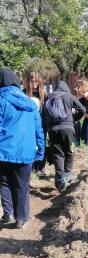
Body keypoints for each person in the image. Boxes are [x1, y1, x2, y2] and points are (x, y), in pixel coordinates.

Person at [0, 68, 45, 228]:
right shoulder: (31, 103)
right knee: (22, 186)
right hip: (26, 152)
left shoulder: (1, 100)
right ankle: (21, 218)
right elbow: (39, 130)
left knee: (4, 184)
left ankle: (8, 214)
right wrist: (40, 152)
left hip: (3, 152)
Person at [43, 80, 86, 192]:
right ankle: (66, 176)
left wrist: (48, 128)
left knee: (58, 154)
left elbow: (44, 114)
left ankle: (60, 178)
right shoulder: (69, 96)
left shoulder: (48, 97)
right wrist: (73, 120)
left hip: (53, 130)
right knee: (69, 151)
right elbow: (82, 110)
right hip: (67, 129)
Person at [23, 72, 48, 176]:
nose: (34, 83)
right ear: (28, 82)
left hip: (41, 123)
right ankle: (31, 166)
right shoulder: (23, 93)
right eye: (32, 81)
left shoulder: (43, 94)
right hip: (28, 123)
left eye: (36, 81)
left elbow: (46, 109)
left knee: (41, 144)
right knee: (30, 144)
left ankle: (41, 167)